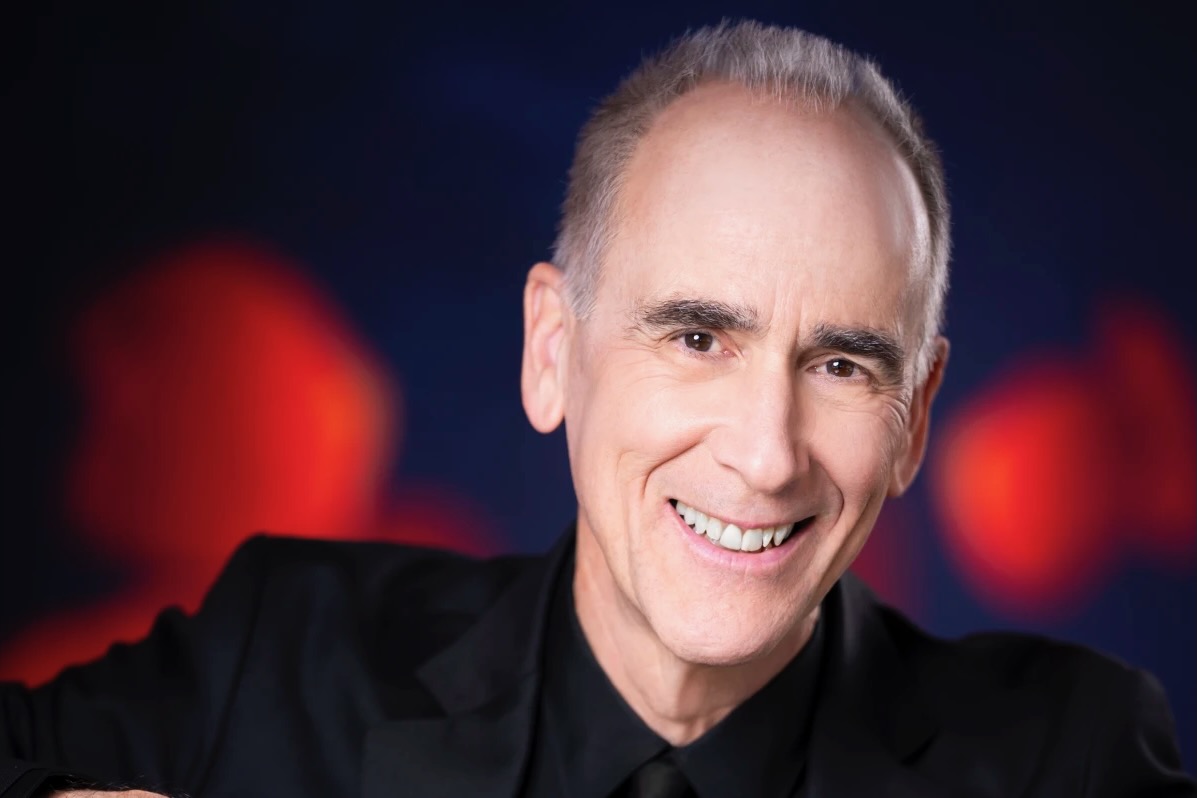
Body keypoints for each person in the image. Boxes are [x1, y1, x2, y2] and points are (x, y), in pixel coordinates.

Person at [2, 20, 1193, 798]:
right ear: (552, 351)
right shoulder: (289, 648)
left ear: (915, 419)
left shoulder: (1069, 757)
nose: (764, 454)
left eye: (840, 365)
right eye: (697, 338)